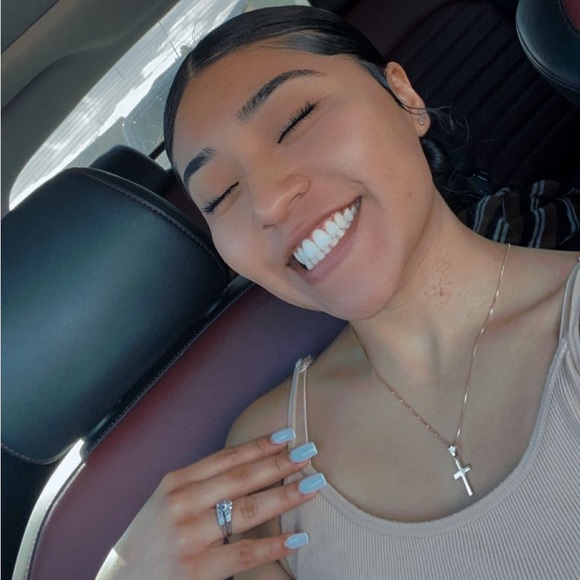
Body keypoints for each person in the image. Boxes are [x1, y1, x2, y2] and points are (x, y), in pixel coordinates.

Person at [97, 6, 580, 579]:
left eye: (296, 120)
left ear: (404, 97)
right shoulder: (267, 460)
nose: (268, 202)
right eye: (221, 194)